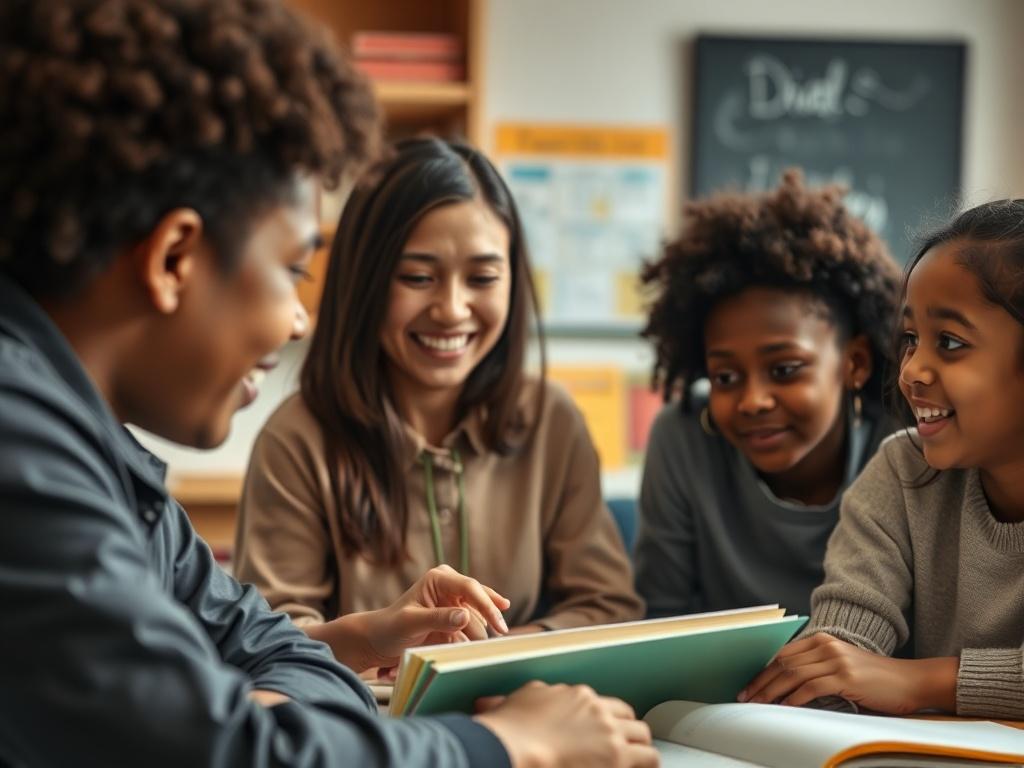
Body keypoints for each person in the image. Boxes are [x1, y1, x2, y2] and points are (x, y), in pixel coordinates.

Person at [0, 2, 657, 765]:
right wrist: (506, 747)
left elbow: (263, 653)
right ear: (175, 258)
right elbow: (221, 749)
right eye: (289, 271)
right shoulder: (23, 454)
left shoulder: (88, 448)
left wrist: (348, 645)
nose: (297, 321)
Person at [234, 137, 643, 646]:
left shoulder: (550, 419)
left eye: (483, 277)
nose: (451, 308)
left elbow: (608, 605)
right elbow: (270, 638)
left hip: (518, 705)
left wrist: (492, 652)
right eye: (418, 277)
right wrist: (382, 642)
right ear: (365, 282)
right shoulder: (297, 439)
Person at [739, 199, 1024, 720]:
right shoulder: (902, 469)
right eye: (911, 338)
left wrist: (921, 683)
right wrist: (827, 675)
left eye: (951, 342)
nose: (912, 369)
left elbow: (891, 681)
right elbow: (845, 644)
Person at [634, 170, 901, 618]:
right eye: (725, 377)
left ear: (854, 363)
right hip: (718, 690)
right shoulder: (682, 439)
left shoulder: (907, 448)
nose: (753, 400)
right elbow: (659, 620)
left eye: (784, 369)